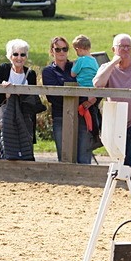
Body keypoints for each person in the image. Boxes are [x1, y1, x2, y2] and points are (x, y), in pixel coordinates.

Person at [0, 39, 44, 161]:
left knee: (25, 146)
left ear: (26, 56)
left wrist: (21, 95)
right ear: (10, 56)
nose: (19, 57)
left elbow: (34, 97)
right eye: (15, 54)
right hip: (5, 116)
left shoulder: (30, 74)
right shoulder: (3, 69)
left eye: (22, 54)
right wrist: (1, 84)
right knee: (5, 146)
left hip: (24, 116)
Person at [93, 34, 131, 168]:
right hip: (117, 120)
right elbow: (98, 84)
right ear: (113, 49)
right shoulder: (107, 68)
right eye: (121, 47)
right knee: (124, 160)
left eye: (128, 47)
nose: (125, 50)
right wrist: (113, 63)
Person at [41, 36, 93, 165]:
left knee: (84, 157)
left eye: (64, 49)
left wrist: (89, 101)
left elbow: (92, 82)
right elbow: (52, 97)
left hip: (82, 113)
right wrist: (78, 98)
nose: (61, 52)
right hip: (60, 116)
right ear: (52, 51)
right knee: (65, 157)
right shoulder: (48, 71)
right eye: (57, 49)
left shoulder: (78, 65)